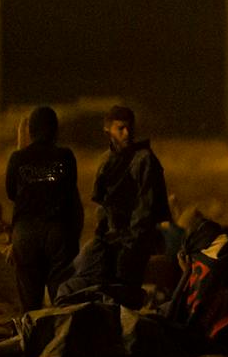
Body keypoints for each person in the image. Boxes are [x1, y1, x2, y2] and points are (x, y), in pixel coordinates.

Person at [68, 105, 169, 304]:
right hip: (111, 237)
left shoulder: (143, 160)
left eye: (129, 128)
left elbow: (146, 207)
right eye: (120, 128)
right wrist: (103, 236)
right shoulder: (106, 160)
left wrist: (132, 242)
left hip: (134, 240)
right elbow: (102, 204)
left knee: (126, 294)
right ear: (108, 131)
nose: (127, 133)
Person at [3, 105, 81, 311]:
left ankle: (34, 339)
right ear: (55, 130)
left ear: (31, 131)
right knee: (62, 298)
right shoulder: (66, 156)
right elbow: (70, 193)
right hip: (57, 231)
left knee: (30, 301)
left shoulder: (17, 158)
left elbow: (12, 193)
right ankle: (61, 337)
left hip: (25, 232)